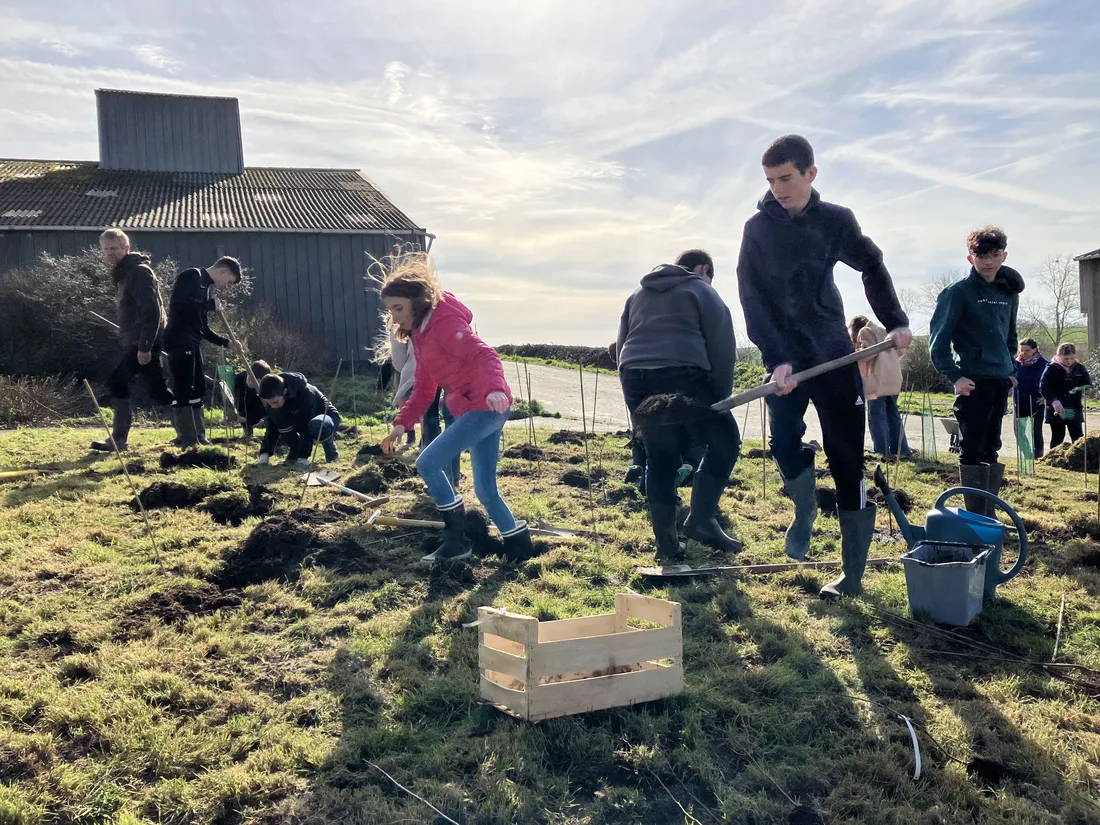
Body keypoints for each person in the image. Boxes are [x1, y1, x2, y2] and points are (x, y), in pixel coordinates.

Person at [737, 135, 912, 598]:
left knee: (848, 458)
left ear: (810, 174)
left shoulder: (836, 221)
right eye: (771, 180)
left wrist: (895, 321)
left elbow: (871, 266)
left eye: (786, 178)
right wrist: (776, 359)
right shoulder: (758, 230)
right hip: (785, 362)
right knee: (784, 443)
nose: (778, 188)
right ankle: (803, 510)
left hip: (833, 354)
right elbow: (750, 297)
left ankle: (851, 575)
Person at [379, 254, 533, 565]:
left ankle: (456, 540)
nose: (394, 318)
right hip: (471, 409)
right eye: (390, 310)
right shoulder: (421, 336)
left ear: (416, 301)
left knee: (428, 462)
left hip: (486, 406)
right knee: (485, 488)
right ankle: (520, 545)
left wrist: (494, 390)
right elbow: (424, 388)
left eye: (398, 308)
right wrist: (402, 424)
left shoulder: (444, 324)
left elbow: (485, 355)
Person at [617, 249, 741, 560]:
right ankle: (701, 519)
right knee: (725, 440)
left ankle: (667, 546)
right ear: (704, 269)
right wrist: (721, 399)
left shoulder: (637, 294)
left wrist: (636, 406)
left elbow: (622, 346)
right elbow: (722, 347)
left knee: (660, 454)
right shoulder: (702, 291)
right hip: (681, 373)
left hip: (635, 377)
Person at [929, 226, 1023, 516]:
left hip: (999, 380)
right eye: (981, 256)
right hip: (973, 380)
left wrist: (1010, 369)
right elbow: (938, 341)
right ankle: (974, 514)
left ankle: (988, 512)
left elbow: (1010, 334)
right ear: (971, 258)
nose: (989, 262)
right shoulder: (958, 293)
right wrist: (955, 376)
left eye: (995, 255)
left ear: (1004, 255)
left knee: (992, 445)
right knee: (972, 446)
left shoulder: (1008, 292)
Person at [91, 229, 175, 452]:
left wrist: (144, 346)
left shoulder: (138, 272)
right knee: (158, 390)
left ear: (126, 248)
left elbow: (152, 311)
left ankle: (118, 440)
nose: (110, 253)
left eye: (114, 248)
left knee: (118, 382)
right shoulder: (123, 273)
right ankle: (190, 433)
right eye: (106, 249)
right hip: (137, 340)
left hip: (144, 341)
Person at [163, 257, 243, 449]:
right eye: (229, 281)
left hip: (194, 342)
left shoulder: (207, 289)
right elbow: (178, 305)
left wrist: (226, 343)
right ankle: (186, 437)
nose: (227, 286)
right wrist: (208, 306)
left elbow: (203, 328)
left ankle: (199, 435)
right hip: (178, 340)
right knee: (184, 387)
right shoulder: (191, 276)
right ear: (224, 271)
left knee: (198, 387)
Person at [609, 339, 702, 494]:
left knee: (643, 431)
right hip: (674, 376)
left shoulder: (627, 366)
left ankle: (638, 466)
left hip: (637, 386)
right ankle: (687, 466)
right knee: (689, 432)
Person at [848, 316, 910, 459]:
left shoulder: (866, 331)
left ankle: (880, 449)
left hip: (878, 378)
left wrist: (853, 355)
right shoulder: (886, 330)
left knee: (876, 414)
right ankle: (901, 449)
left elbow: (868, 354)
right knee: (893, 413)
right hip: (893, 377)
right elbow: (899, 352)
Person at [255, 372, 341, 467]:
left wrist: (303, 457)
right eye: (269, 403)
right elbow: (271, 427)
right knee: (277, 415)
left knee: (317, 424)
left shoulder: (305, 393)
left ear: (285, 392)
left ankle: (331, 452)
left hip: (324, 419)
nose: (273, 406)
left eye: (275, 402)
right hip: (298, 421)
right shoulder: (273, 397)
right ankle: (294, 451)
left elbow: (306, 426)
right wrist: (264, 454)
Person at [1041, 343, 1092, 449]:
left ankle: (1079, 461)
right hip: (1056, 409)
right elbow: (1044, 388)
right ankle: (1054, 462)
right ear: (1059, 356)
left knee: (1078, 437)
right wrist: (1054, 402)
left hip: (1074, 408)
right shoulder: (1051, 369)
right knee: (1057, 437)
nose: (1069, 361)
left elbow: (1088, 384)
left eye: (1072, 358)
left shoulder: (1080, 368)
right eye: (1066, 358)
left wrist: (1088, 390)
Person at [1013, 339, 1047, 459]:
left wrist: (1046, 396)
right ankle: (1028, 456)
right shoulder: (1016, 364)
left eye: (1027, 350)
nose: (1024, 353)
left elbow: (1051, 381)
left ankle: (1038, 458)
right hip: (1020, 401)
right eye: (1021, 350)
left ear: (1035, 350)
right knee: (1019, 431)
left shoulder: (1044, 364)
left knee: (1036, 432)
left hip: (1037, 402)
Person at [233, 360, 272, 441]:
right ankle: (247, 432)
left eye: (254, 380)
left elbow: (263, 410)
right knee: (242, 408)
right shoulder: (239, 378)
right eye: (249, 377)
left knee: (269, 417)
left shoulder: (266, 389)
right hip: (244, 403)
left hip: (256, 405)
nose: (250, 381)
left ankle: (270, 435)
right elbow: (236, 397)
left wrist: (247, 419)